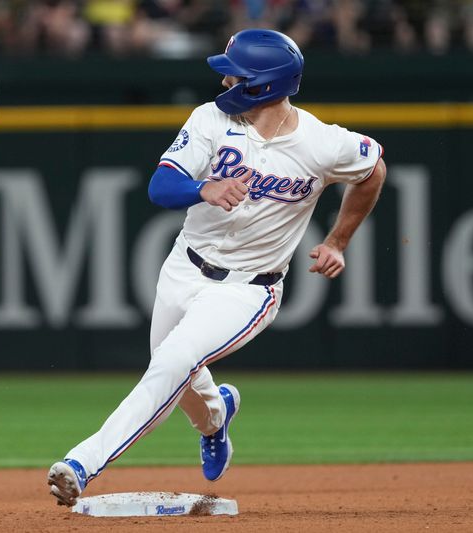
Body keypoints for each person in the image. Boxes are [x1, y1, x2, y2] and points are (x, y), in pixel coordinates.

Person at [47, 28, 386, 506]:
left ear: (265, 85)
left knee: (171, 362)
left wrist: (338, 240)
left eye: (235, 76)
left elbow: (373, 170)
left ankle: (83, 462)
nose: (225, 83)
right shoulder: (209, 120)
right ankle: (218, 414)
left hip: (248, 289)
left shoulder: (323, 143)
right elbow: (161, 188)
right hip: (183, 267)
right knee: (179, 374)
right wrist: (202, 189)